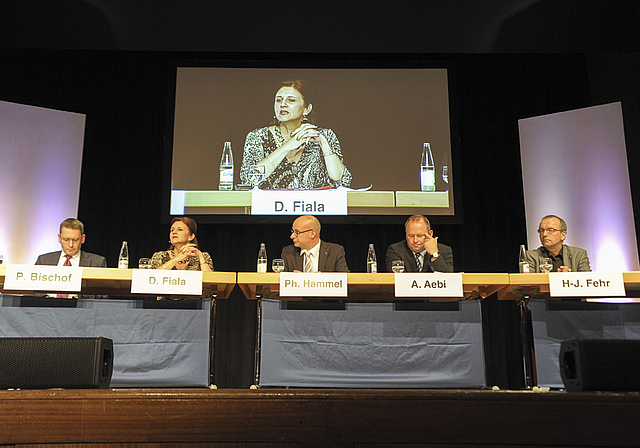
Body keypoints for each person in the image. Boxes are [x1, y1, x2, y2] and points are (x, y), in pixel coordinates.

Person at [239, 80, 352, 190]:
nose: (283, 105)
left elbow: (343, 181)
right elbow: (249, 180)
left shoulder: (325, 135)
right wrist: (287, 146)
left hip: (314, 207)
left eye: (291, 100)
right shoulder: (258, 136)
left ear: (307, 109)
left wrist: (324, 144)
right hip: (272, 207)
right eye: (278, 100)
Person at [385, 215, 454, 273]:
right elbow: (398, 279)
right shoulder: (395, 250)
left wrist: (434, 254)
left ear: (430, 234)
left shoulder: (444, 250)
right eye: (411, 236)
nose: (415, 240)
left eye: (420, 236)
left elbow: (448, 278)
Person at [281, 215, 349, 272]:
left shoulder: (335, 251)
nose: (292, 236)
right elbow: (280, 280)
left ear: (312, 234)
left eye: (297, 232)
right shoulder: (288, 252)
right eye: (292, 231)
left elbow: (344, 279)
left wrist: (321, 279)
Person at [526, 215, 590, 272]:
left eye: (550, 230)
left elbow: (587, 280)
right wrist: (556, 278)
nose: (544, 234)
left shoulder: (578, 254)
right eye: (541, 231)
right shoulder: (531, 256)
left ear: (563, 235)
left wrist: (570, 277)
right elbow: (528, 282)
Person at [35, 218, 107, 267]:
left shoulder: (97, 263)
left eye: (75, 240)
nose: (71, 245)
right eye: (66, 239)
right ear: (59, 238)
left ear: (83, 239)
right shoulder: (44, 261)